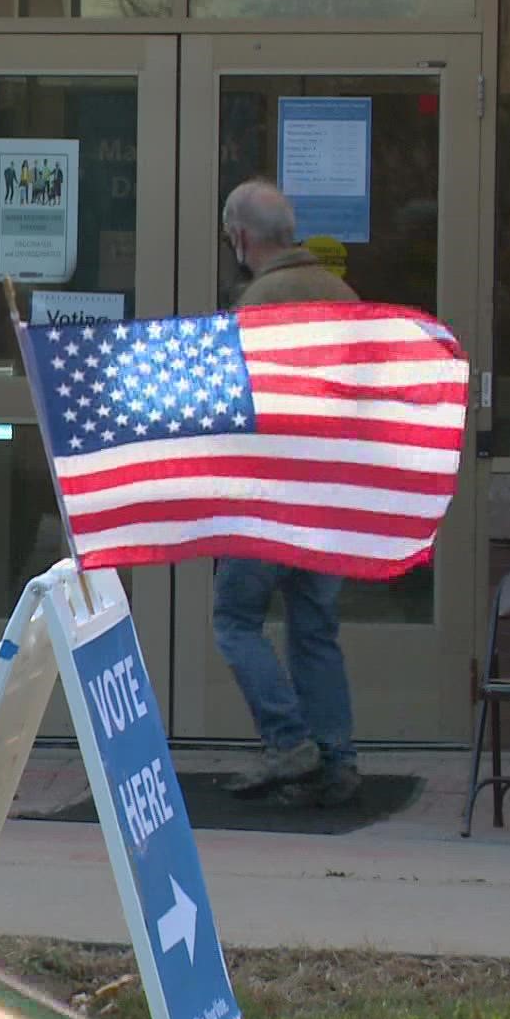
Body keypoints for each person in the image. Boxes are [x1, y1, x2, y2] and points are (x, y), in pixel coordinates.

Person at [215, 177, 363, 806]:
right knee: (314, 627)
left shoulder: (258, 303)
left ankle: (288, 741)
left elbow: (240, 406)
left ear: (243, 238)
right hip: (329, 494)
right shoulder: (344, 296)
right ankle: (337, 759)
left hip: (269, 494)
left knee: (235, 620)